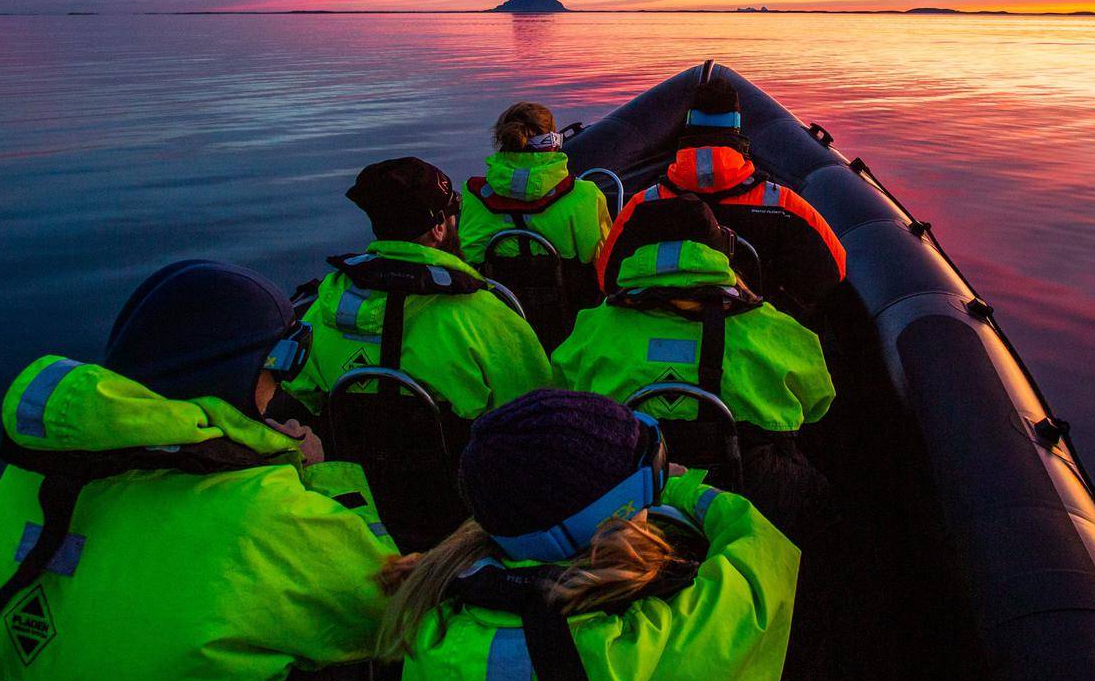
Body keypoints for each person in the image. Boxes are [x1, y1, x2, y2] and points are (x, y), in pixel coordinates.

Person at [0, 260, 398, 681]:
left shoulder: (29, 473)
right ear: (239, 371)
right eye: (283, 361)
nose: (284, 382)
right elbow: (390, 613)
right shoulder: (266, 509)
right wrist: (318, 476)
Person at [377, 389, 798, 681]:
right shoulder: (664, 638)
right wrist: (680, 487)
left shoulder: (427, 627)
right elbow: (764, 551)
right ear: (612, 518)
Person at [556, 196, 834, 536]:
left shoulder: (591, 327)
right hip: (750, 488)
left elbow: (563, 395)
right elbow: (818, 403)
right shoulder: (775, 329)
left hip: (628, 493)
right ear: (719, 252)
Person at [286, 156, 554, 433]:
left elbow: (301, 391)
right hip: (461, 471)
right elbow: (538, 405)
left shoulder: (324, 308)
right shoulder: (484, 315)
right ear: (438, 228)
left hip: (352, 473)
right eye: (454, 211)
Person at [594, 78, 845, 325]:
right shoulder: (783, 205)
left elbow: (607, 278)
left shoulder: (642, 205)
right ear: (736, 128)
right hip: (752, 334)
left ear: (688, 127)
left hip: (655, 334)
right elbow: (834, 269)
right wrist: (774, 302)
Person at [458, 103, 613, 347]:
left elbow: (468, 259)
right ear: (554, 140)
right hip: (571, 324)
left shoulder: (474, 196)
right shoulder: (584, 196)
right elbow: (603, 263)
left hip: (500, 322)